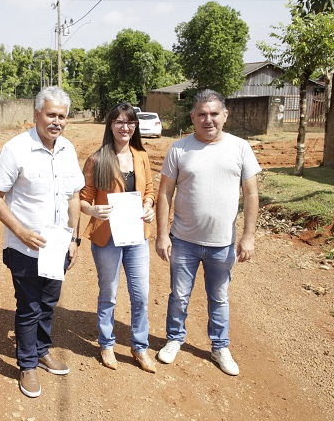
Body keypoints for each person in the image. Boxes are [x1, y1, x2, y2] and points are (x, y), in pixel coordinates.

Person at [0, 86, 85, 398]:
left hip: (58, 246)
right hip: (25, 247)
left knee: (48, 302)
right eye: (51, 114)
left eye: (62, 116)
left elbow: (74, 196)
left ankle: (42, 350)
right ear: (36, 115)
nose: (56, 121)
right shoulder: (16, 149)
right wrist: (21, 232)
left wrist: (74, 238)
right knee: (28, 306)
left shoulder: (68, 149)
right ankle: (27, 365)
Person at [154, 89, 261, 376]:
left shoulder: (240, 148)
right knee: (179, 295)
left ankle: (220, 346)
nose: (208, 119)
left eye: (214, 113)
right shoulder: (179, 149)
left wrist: (248, 237)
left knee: (220, 297)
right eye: (201, 114)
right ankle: (175, 339)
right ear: (192, 117)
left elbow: (251, 195)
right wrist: (162, 235)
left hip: (222, 244)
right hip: (184, 241)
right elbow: (165, 193)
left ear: (225, 115)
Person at [80, 103, 157, 373]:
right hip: (107, 237)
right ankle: (107, 344)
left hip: (136, 235)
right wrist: (92, 210)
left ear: (135, 126)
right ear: (110, 125)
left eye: (130, 122)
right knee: (109, 294)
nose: (125, 127)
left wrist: (148, 206)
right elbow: (82, 199)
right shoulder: (97, 159)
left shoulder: (142, 157)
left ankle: (140, 347)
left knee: (141, 295)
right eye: (119, 122)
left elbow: (149, 190)